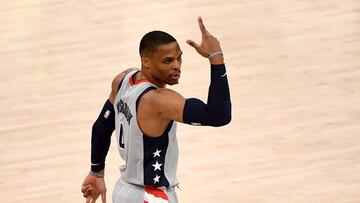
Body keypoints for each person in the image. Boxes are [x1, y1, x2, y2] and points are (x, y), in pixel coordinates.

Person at [81, 16, 231, 203]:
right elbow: (219, 116)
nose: (176, 66)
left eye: (179, 58)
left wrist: (96, 172)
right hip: (151, 196)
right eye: (167, 61)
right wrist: (216, 57)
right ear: (146, 62)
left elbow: (101, 127)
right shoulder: (159, 101)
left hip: (124, 190)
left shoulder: (123, 80)